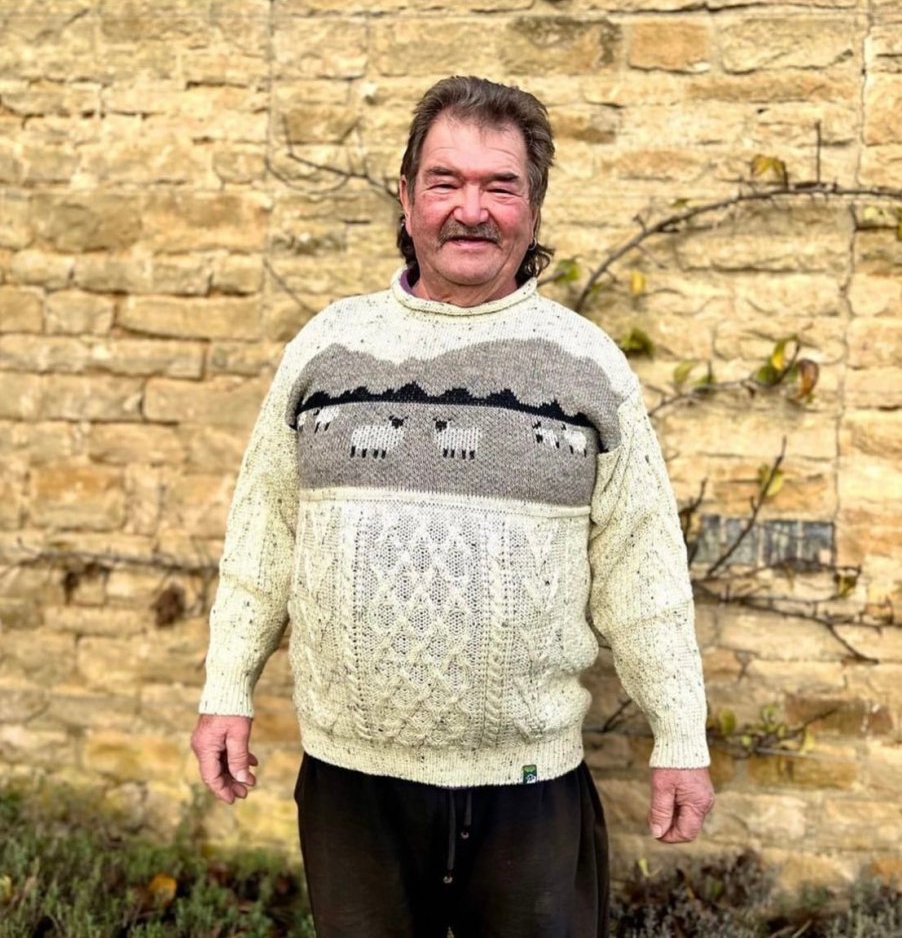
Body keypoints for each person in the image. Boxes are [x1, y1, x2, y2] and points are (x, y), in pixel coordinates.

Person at [191, 75, 714, 938]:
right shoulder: (325, 348)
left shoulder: (585, 367)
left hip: (528, 792)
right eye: (446, 181)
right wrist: (225, 690)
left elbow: (642, 572)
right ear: (406, 198)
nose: (472, 210)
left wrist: (682, 737)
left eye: (500, 186)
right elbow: (262, 538)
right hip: (350, 784)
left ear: (534, 210)